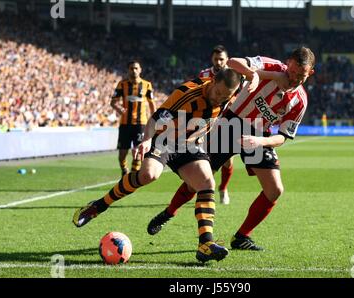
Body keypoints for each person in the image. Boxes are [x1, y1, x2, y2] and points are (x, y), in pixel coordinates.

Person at [147, 47, 316, 251]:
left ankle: (242, 237)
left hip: (258, 137)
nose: (295, 78)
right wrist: (261, 74)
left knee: (275, 190)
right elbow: (233, 63)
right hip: (230, 124)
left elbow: (283, 136)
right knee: (198, 181)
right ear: (288, 63)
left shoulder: (300, 101)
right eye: (293, 72)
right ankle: (169, 212)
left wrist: (260, 141)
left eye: (302, 76)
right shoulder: (272, 66)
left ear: (310, 73)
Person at [73, 68, 242, 263]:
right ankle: (98, 206)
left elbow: (253, 72)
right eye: (217, 93)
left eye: (225, 96)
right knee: (148, 175)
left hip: (190, 145)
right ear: (212, 82)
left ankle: (206, 244)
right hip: (165, 141)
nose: (219, 99)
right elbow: (156, 118)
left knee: (207, 182)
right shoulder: (186, 94)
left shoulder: (231, 93)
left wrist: (254, 77)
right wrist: (146, 140)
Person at [196, 45, 234, 204]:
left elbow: (238, 97)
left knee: (228, 160)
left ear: (227, 60)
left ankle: (223, 188)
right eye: (216, 59)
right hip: (205, 121)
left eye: (222, 59)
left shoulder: (234, 76)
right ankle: (203, 188)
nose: (218, 62)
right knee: (202, 157)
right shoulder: (204, 74)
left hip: (225, 123)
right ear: (212, 59)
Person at [111, 60, 156, 176]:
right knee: (122, 153)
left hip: (141, 124)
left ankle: (133, 174)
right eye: (131, 68)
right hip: (125, 124)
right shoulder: (122, 84)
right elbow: (113, 102)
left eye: (136, 68)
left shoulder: (147, 85)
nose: (134, 70)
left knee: (138, 150)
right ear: (128, 70)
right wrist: (119, 108)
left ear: (140, 70)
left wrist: (155, 119)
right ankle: (124, 169)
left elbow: (151, 103)